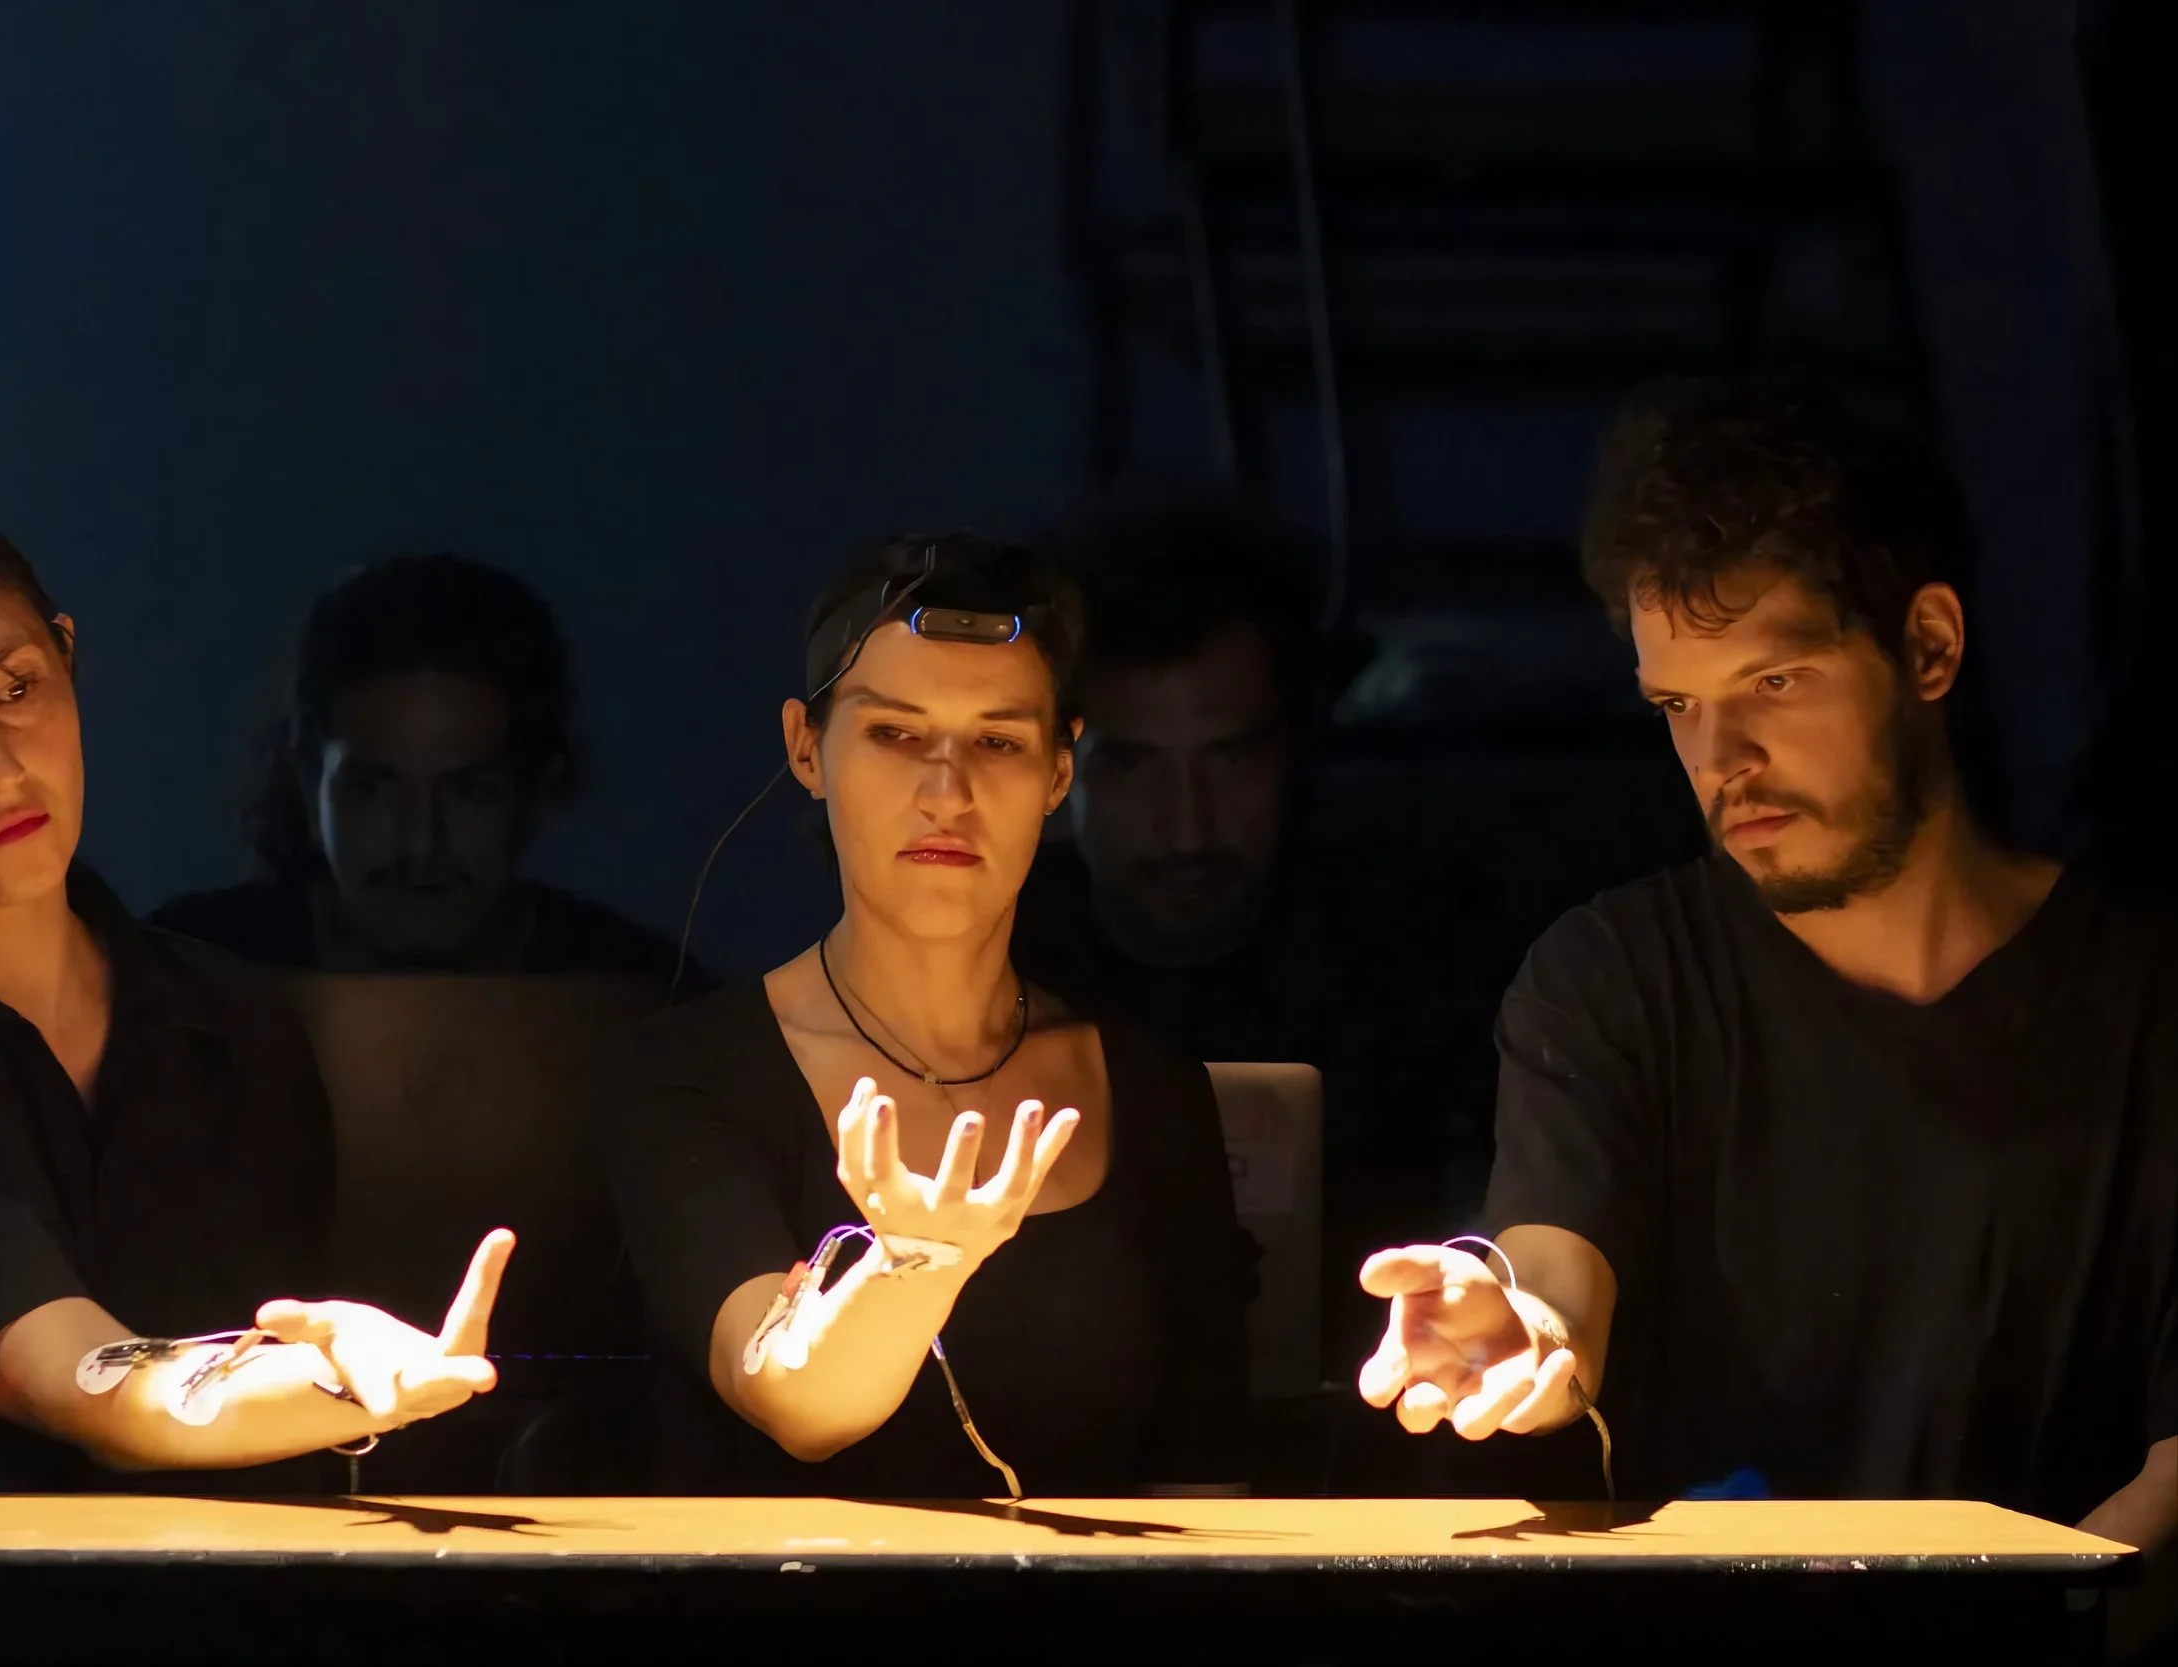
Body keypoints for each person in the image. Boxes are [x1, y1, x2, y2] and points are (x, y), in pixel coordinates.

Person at [1355, 381, 2178, 1642]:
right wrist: (1520, 1316)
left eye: (1773, 679)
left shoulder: (2146, 995)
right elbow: (1559, 1256)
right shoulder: (1614, 977)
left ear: (1928, 647)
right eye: (1677, 705)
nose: (1719, 757)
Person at [0, 494, 512, 1568]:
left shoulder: (229, 1016)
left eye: (16, 688)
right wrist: (318, 1379)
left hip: (207, 1602)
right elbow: (71, 1375)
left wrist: (337, 1374)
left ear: (66, 657)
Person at [598, 533, 1256, 1495]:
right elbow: (797, 1402)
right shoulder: (686, 1071)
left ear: (1059, 773)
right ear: (806, 748)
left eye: (998, 742)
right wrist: (917, 1264)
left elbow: (1205, 1478)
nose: (947, 793)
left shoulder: (1149, 1090)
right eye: (896, 735)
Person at [1011, 491, 1505, 1365]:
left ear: (1289, 755)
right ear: (1057, 767)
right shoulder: (985, 958)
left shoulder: (1420, 950)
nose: (1186, 825)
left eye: (1229, 760)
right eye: (1132, 766)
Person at [153, 552, 685, 980]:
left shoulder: (642, 1001)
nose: (420, 845)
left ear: (536, 792)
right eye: (374, 791)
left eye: (468, 792)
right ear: (311, 784)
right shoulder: (178, 983)